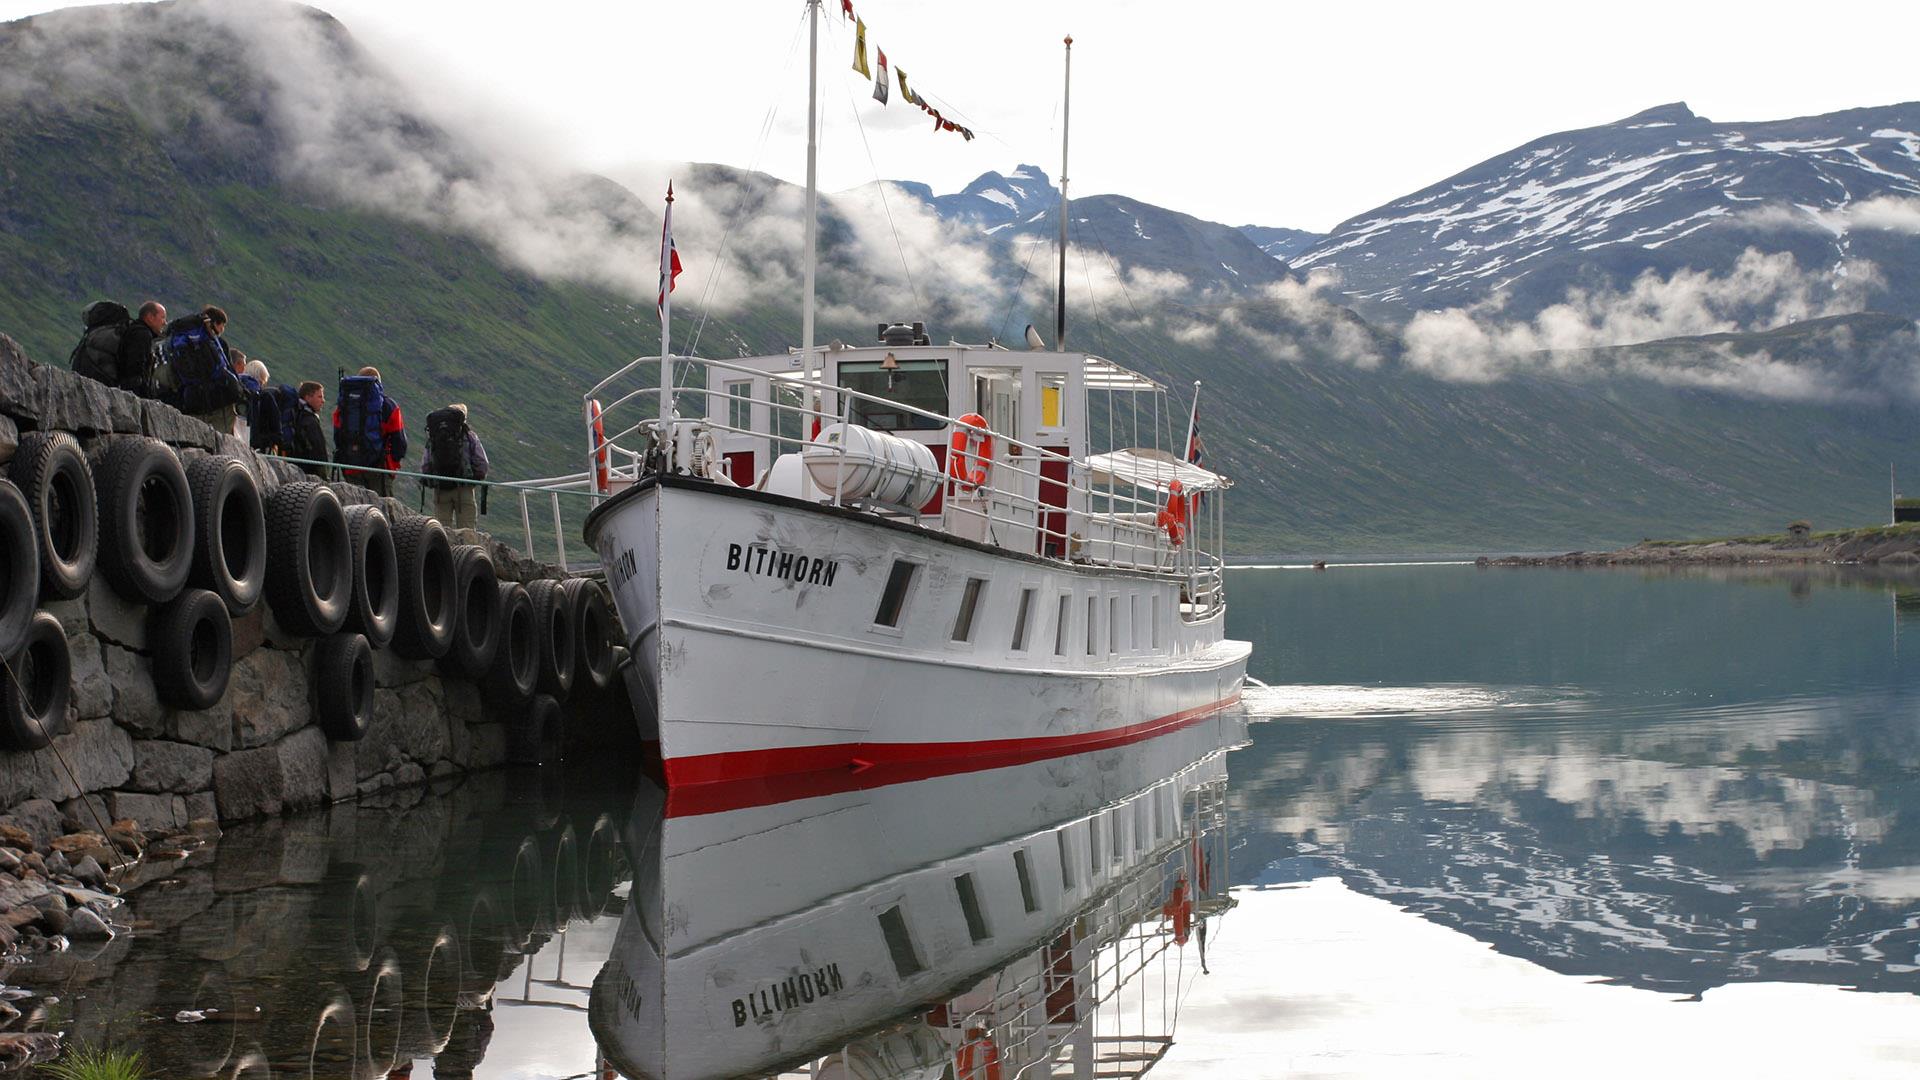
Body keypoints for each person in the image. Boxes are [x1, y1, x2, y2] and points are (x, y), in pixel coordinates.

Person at [163, 305, 243, 433]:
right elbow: (224, 369)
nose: (222, 329)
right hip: (216, 401)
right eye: (222, 325)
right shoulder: (216, 342)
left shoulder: (180, 339)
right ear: (215, 324)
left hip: (190, 398)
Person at [334, 365, 407, 497]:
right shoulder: (388, 406)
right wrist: (392, 465)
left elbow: (337, 435)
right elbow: (400, 441)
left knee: (354, 511)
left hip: (350, 466)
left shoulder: (344, 404)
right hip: (379, 468)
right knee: (380, 511)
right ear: (378, 383)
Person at [425, 403, 490, 530]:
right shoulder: (469, 436)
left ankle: (443, 550)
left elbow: (425, 463)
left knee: (442, 530)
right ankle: (464, 550)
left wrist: (432, 480)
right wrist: (475, 478)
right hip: (463, 488)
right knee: (467, 529)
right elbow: (482, 463)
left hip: (441, 489)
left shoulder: (434, 435)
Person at [117, 301, 167, 396]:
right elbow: (136, 367)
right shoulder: (142, 334)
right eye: (162, 317)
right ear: (150, 317)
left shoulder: (135, 330)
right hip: (133, 393)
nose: (165, 322)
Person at [291, 381, 330, 478]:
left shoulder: (296, 416)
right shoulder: (310, 421)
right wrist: (324, 475)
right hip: (310, 473)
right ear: (307, 397)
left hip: (295, 468)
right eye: (319, 397)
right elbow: (319, 449)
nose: (323, 400)